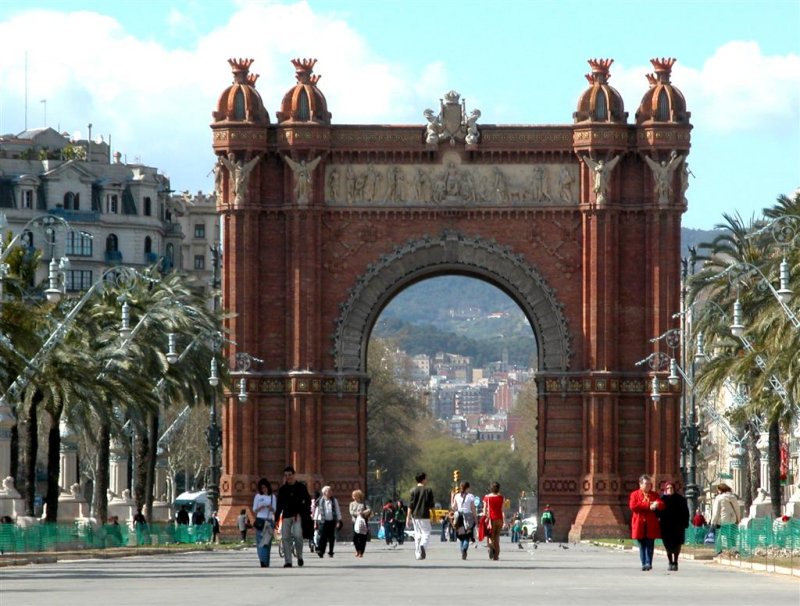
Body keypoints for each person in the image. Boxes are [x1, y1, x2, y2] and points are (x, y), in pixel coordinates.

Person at [275, 466, 311, 568]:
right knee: (285, 538)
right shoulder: (282, 490)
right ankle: (288, 561)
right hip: (286, 516)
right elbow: (279, 506)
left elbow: (308, 500)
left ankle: (299, 556)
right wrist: (276, 519)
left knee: (298, 536)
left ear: (293, 475)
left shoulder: (301, 487)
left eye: (289, 475)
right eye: (286, 475)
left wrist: (304, 511)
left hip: (297, 516)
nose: (288, 477)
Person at [629, 474, 664, 571]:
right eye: (646, 484)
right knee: (642, 545)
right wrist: (648, 505)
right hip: (639, 523)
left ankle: (649, 562)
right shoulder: (635, 494)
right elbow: (633, 506)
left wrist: (656, 504)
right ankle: (644, 563)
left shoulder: (654, 495)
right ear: (640, 484)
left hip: (650, 524)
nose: (648, 486)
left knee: (650, 544)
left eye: (649, 484)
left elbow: (661, 504)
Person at [657, 482, 689, 570]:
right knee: (668, 546)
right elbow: (657, 512)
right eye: (668, 488)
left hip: (678, 526)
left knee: (677, 545)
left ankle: (675, 562)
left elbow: (686, 512)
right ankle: (670, 561)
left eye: (671, 488)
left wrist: (685, 523)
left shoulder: (680, 499)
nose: (670, 490)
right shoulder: (662, 499)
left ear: (674, 489)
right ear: (665, 490)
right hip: (665, 527)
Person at [407, 472, 435, 560]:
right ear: (423, 480)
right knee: (426, 533)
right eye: (426, 478)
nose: (427, 480)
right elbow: (431, 505)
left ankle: (418, 554)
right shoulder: (428, 490)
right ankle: (423, 546)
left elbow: (410, 506)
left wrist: (408, 518)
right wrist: (434, 516)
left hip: (415, 516)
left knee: (418, 534)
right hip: (425, 515)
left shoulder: (413, 490)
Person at [710, 483, 741, 554]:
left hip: (722, 520)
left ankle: (719, 551)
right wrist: (738, 519)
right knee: (732, 536)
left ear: (721, 490)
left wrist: (713, 522)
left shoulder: (719, 498)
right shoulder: (733, 497)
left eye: (718, 490)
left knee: (719, 536)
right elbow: (737, 509)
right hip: (732, 520)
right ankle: (732, 551)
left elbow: (716, 512)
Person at [253, 478, 276, 567]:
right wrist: (261, 507)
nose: (264, 489)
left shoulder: (272, 496)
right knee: (260, 542)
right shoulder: (258, 496)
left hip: (269, 520)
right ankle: (262, 560)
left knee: (266, 543)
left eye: (265, 487)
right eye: (262, 488)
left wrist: (270, 507)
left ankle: (265, 562)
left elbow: (274, 509)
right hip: (260, 520)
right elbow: (254, 509)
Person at [314, 485, 342, 558]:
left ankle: (330, 551)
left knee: (331, 537)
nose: (330, 492)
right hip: (323, 521)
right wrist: (315, 521)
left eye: (331, 491)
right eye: (328, 491)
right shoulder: (320, 500)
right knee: (322, 537)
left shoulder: (334, 500)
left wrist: (339, 521)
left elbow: (337, 510)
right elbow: (317, 511)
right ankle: (321, 551)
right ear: (324, 492)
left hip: (332, 521)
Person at [451, 481, 477, 560]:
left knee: (461, 535)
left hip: (459, 517)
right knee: (467, 536)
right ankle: (465, 548)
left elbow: (453, 507)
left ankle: (462, 550)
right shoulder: (471, 496)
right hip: (468, 517)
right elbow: (473, 508)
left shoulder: (457, 496)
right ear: (468, 488)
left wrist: (452, 498)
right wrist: (475, 518)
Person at [483, 482, 505, 561]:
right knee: (497, 537)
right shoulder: (501, 498)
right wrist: (504, 520)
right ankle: (496, 556)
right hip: (499, 518)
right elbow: (502, 510)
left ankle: (491, 546)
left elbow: (484, 509)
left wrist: (484, 517)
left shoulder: (487, 497)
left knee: (490, 535)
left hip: (491, 519)